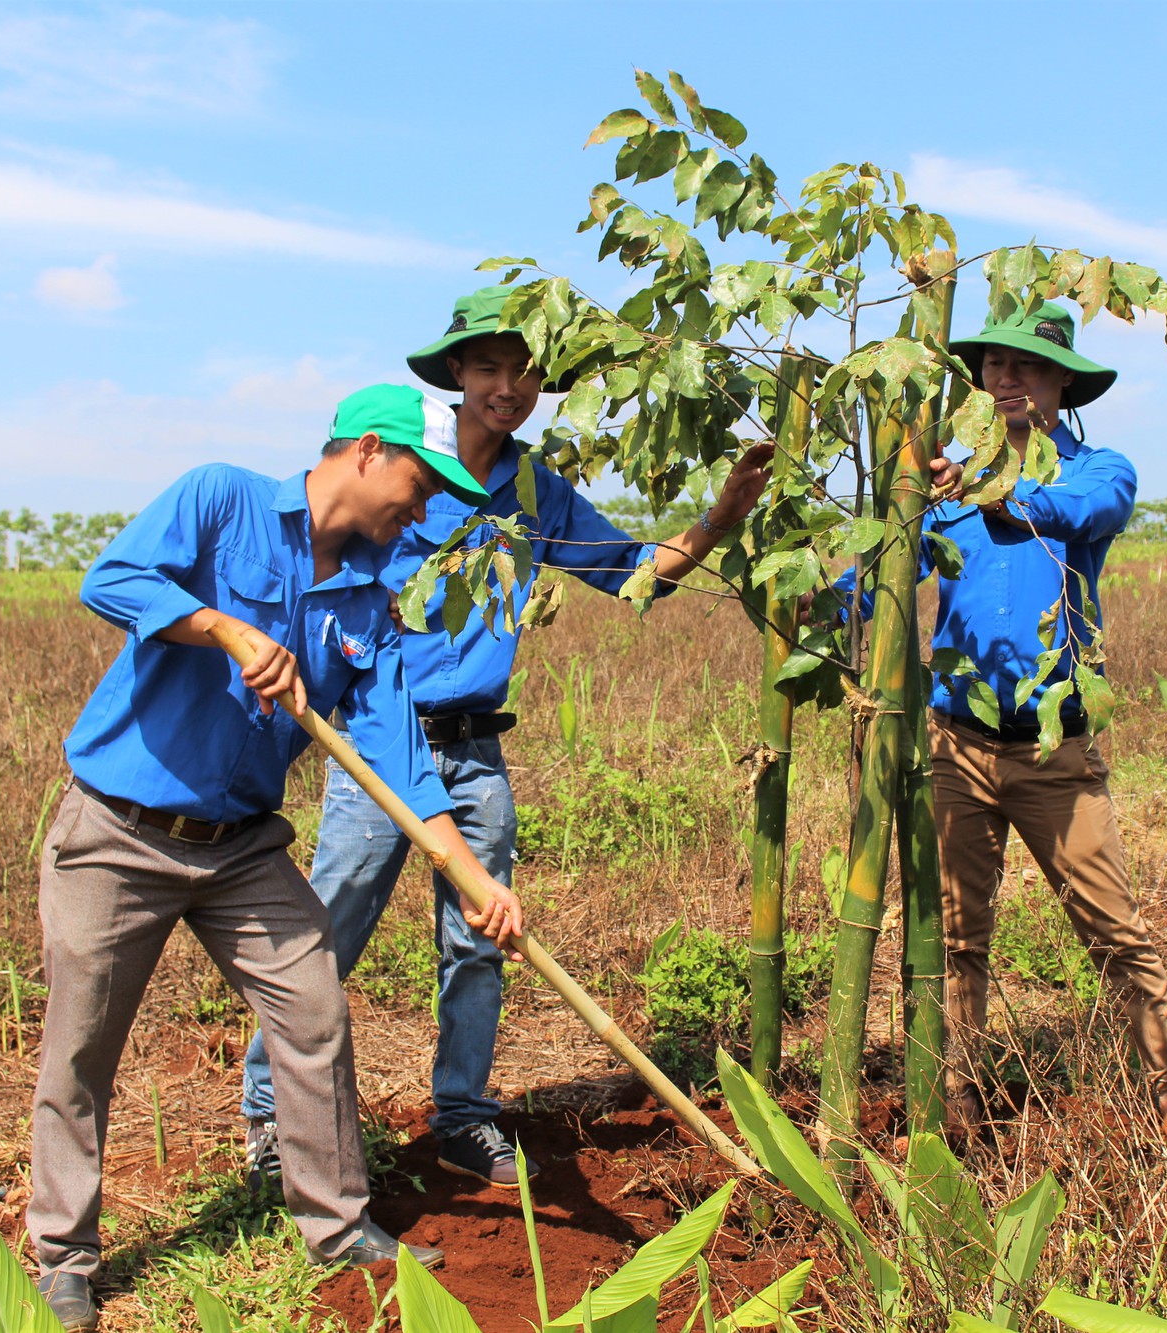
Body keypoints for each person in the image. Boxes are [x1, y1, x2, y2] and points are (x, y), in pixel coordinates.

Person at [240, 285, 772, 1190]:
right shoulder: (401, 470)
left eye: (526, 374)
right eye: (490, 367)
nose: (509, 388)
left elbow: (637, 577)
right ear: (456, 372)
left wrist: (721, 514)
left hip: (477, 749)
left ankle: (464, 1116)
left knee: (480, 939)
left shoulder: (538, 492)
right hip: (380, 746)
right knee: (332, 930)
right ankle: (268, 1113)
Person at [28, 384, 525, 1331]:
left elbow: (401, 767)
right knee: (82, 1046)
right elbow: (114, 578)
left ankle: (338, 1227)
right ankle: (65, 1256)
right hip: (119, 834)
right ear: (370, 451)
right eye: (421, 487)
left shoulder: (372, 605)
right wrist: (219, 624)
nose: (422, 512)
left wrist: (471, 877)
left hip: (243, 847)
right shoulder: (224, 499)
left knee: (312, 1006)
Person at [845, 301, 1167, 1162]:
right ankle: (955, 1097)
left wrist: (974, 485)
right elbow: (879, 584)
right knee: (954, 935)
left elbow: (1064, 514)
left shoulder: (1098, 473)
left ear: (1061, 385)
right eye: (993, 367)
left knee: (1117, 933)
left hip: (1054, 750)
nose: (1006, 380)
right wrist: (825, 604)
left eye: (1028, 367)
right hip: (955, 743)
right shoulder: (940, 489)